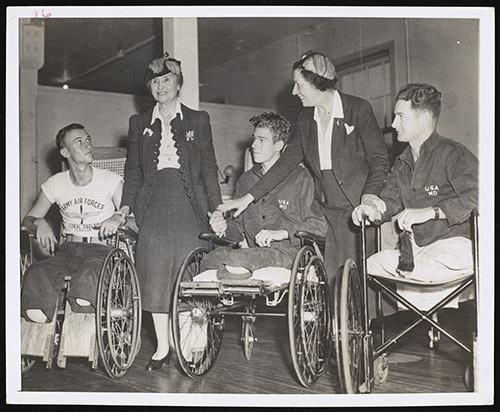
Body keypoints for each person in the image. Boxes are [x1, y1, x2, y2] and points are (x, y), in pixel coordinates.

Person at [218, 50, 390, 283]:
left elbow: (379, 158)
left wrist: (369, 197)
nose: (294, 91)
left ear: (316, 82)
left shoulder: (357, 109)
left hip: (356, 208)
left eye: (299, 84)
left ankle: (363, 322)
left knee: (360, 283)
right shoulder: (306, 118)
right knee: (332, 284)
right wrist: (248, 198)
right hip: (325, 210)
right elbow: (285, 163)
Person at [117, 53, 222, 371]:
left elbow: (208, 168)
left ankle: (194, 345)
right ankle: (162, 348)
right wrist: (126, 207)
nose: (159, 86)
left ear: (178, 84)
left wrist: (217, 210)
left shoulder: (198, 119)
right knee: (156, 276)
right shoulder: (139, 123)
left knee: (191, 277)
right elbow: (133, 172)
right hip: (154, 207)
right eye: (154, 81)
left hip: (190, 206)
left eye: (166, 80)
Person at [351, 83, 478, 309]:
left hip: (453, 246)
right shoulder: (402, 162)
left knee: (425, 266)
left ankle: (436, 314)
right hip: (417, 251)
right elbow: (389, 201)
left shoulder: (451, 153)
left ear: (424, 119)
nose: (392, 124)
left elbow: (481, 195)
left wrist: (432, 212)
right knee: (369, 264)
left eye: (401, 116)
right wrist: (371, 207)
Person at [201, 112, 328, 279]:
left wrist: (282, 232)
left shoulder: (301, 178)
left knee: (239, 259)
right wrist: (224, 228)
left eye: (262, 140)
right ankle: (230, 276)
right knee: (209, 259)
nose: (254, 145)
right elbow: (239, 228)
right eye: (254, 139)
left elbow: (319, 226)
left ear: (279, 145)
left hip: (290, 253)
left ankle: (230, 276)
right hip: (255, 253)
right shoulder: (246, 180)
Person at [21, 123, 125, 324]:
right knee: (36, 273)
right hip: (68, 250)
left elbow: (132, 218)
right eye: (79, 142)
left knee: (88, 281)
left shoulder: (111, 180)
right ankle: (45, 343)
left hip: (101, 250)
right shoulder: (55, 183)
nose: (88, 145)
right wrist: (39, 222)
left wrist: (118, 217)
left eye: (88, 140)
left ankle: (80, 334)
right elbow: (28, 220)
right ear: (65, 152)